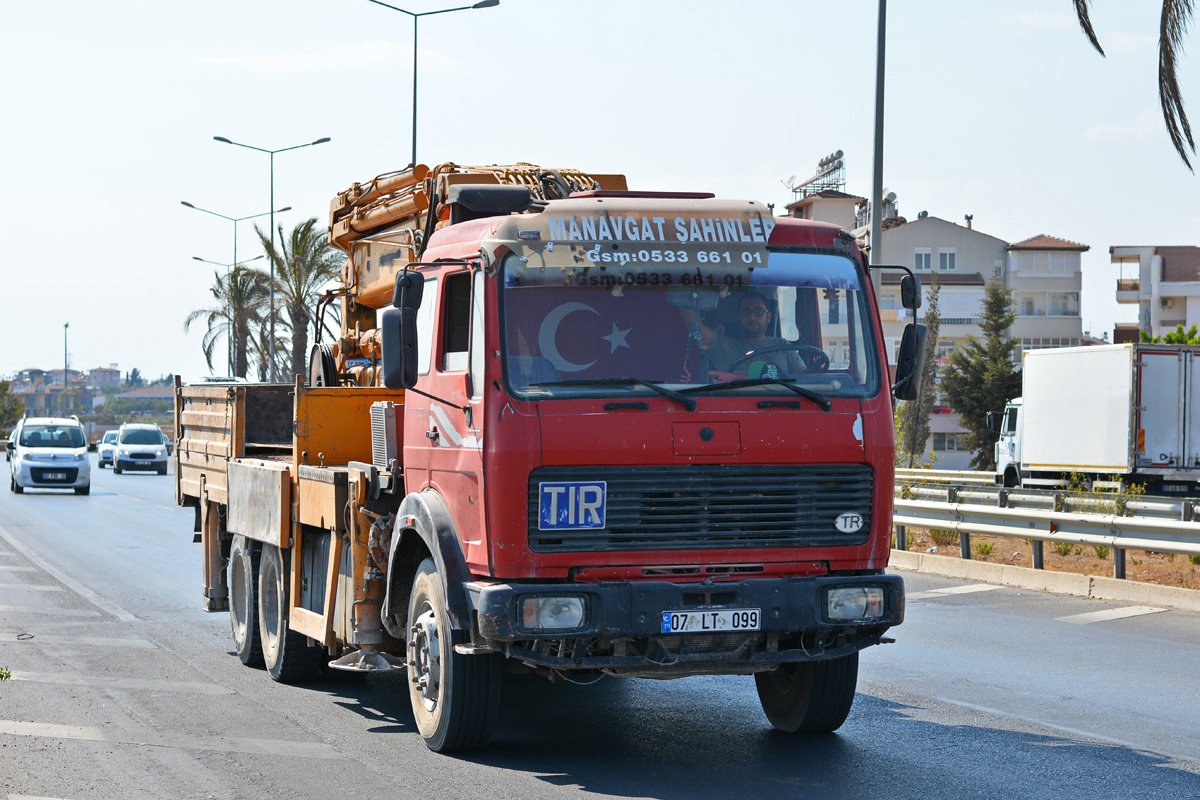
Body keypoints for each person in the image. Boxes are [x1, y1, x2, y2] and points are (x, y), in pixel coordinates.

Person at [682, 291, 804, 380]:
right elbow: (693, 323)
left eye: (758, 312)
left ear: (769, 317)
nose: (752, 317)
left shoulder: (783, 347)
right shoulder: (722, 346)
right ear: (739, 317)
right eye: (746, 312)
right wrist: (682, 286)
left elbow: (804, 380)